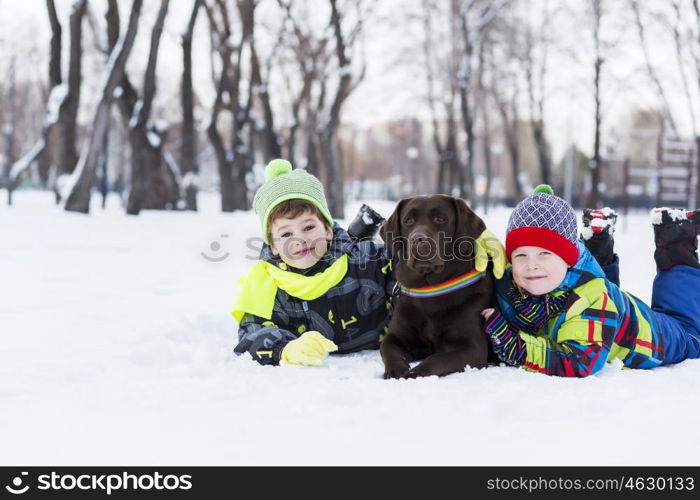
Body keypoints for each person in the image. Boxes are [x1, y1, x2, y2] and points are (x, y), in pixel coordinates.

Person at [481, 184, 700, 377]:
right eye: (521, 255)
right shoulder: (511, 279)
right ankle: (598, 244)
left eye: (544, 253)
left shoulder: (589, 298)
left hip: (653, 336)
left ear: (568, 260)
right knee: (593, 295)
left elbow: (581, 360)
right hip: (606, 312)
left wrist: (515, 347)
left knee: (690, 337)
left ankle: (676, 241)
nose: (531, 265)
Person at [232, 159, 394, 367]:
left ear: (327, 229)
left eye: (308, 228)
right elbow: (252, 331)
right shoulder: (267, 285)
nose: (300, 239)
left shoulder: (365, 260)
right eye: (286, 233)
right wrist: (285, 349)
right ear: (273, 246)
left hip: (385, 345)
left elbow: (405, 274)